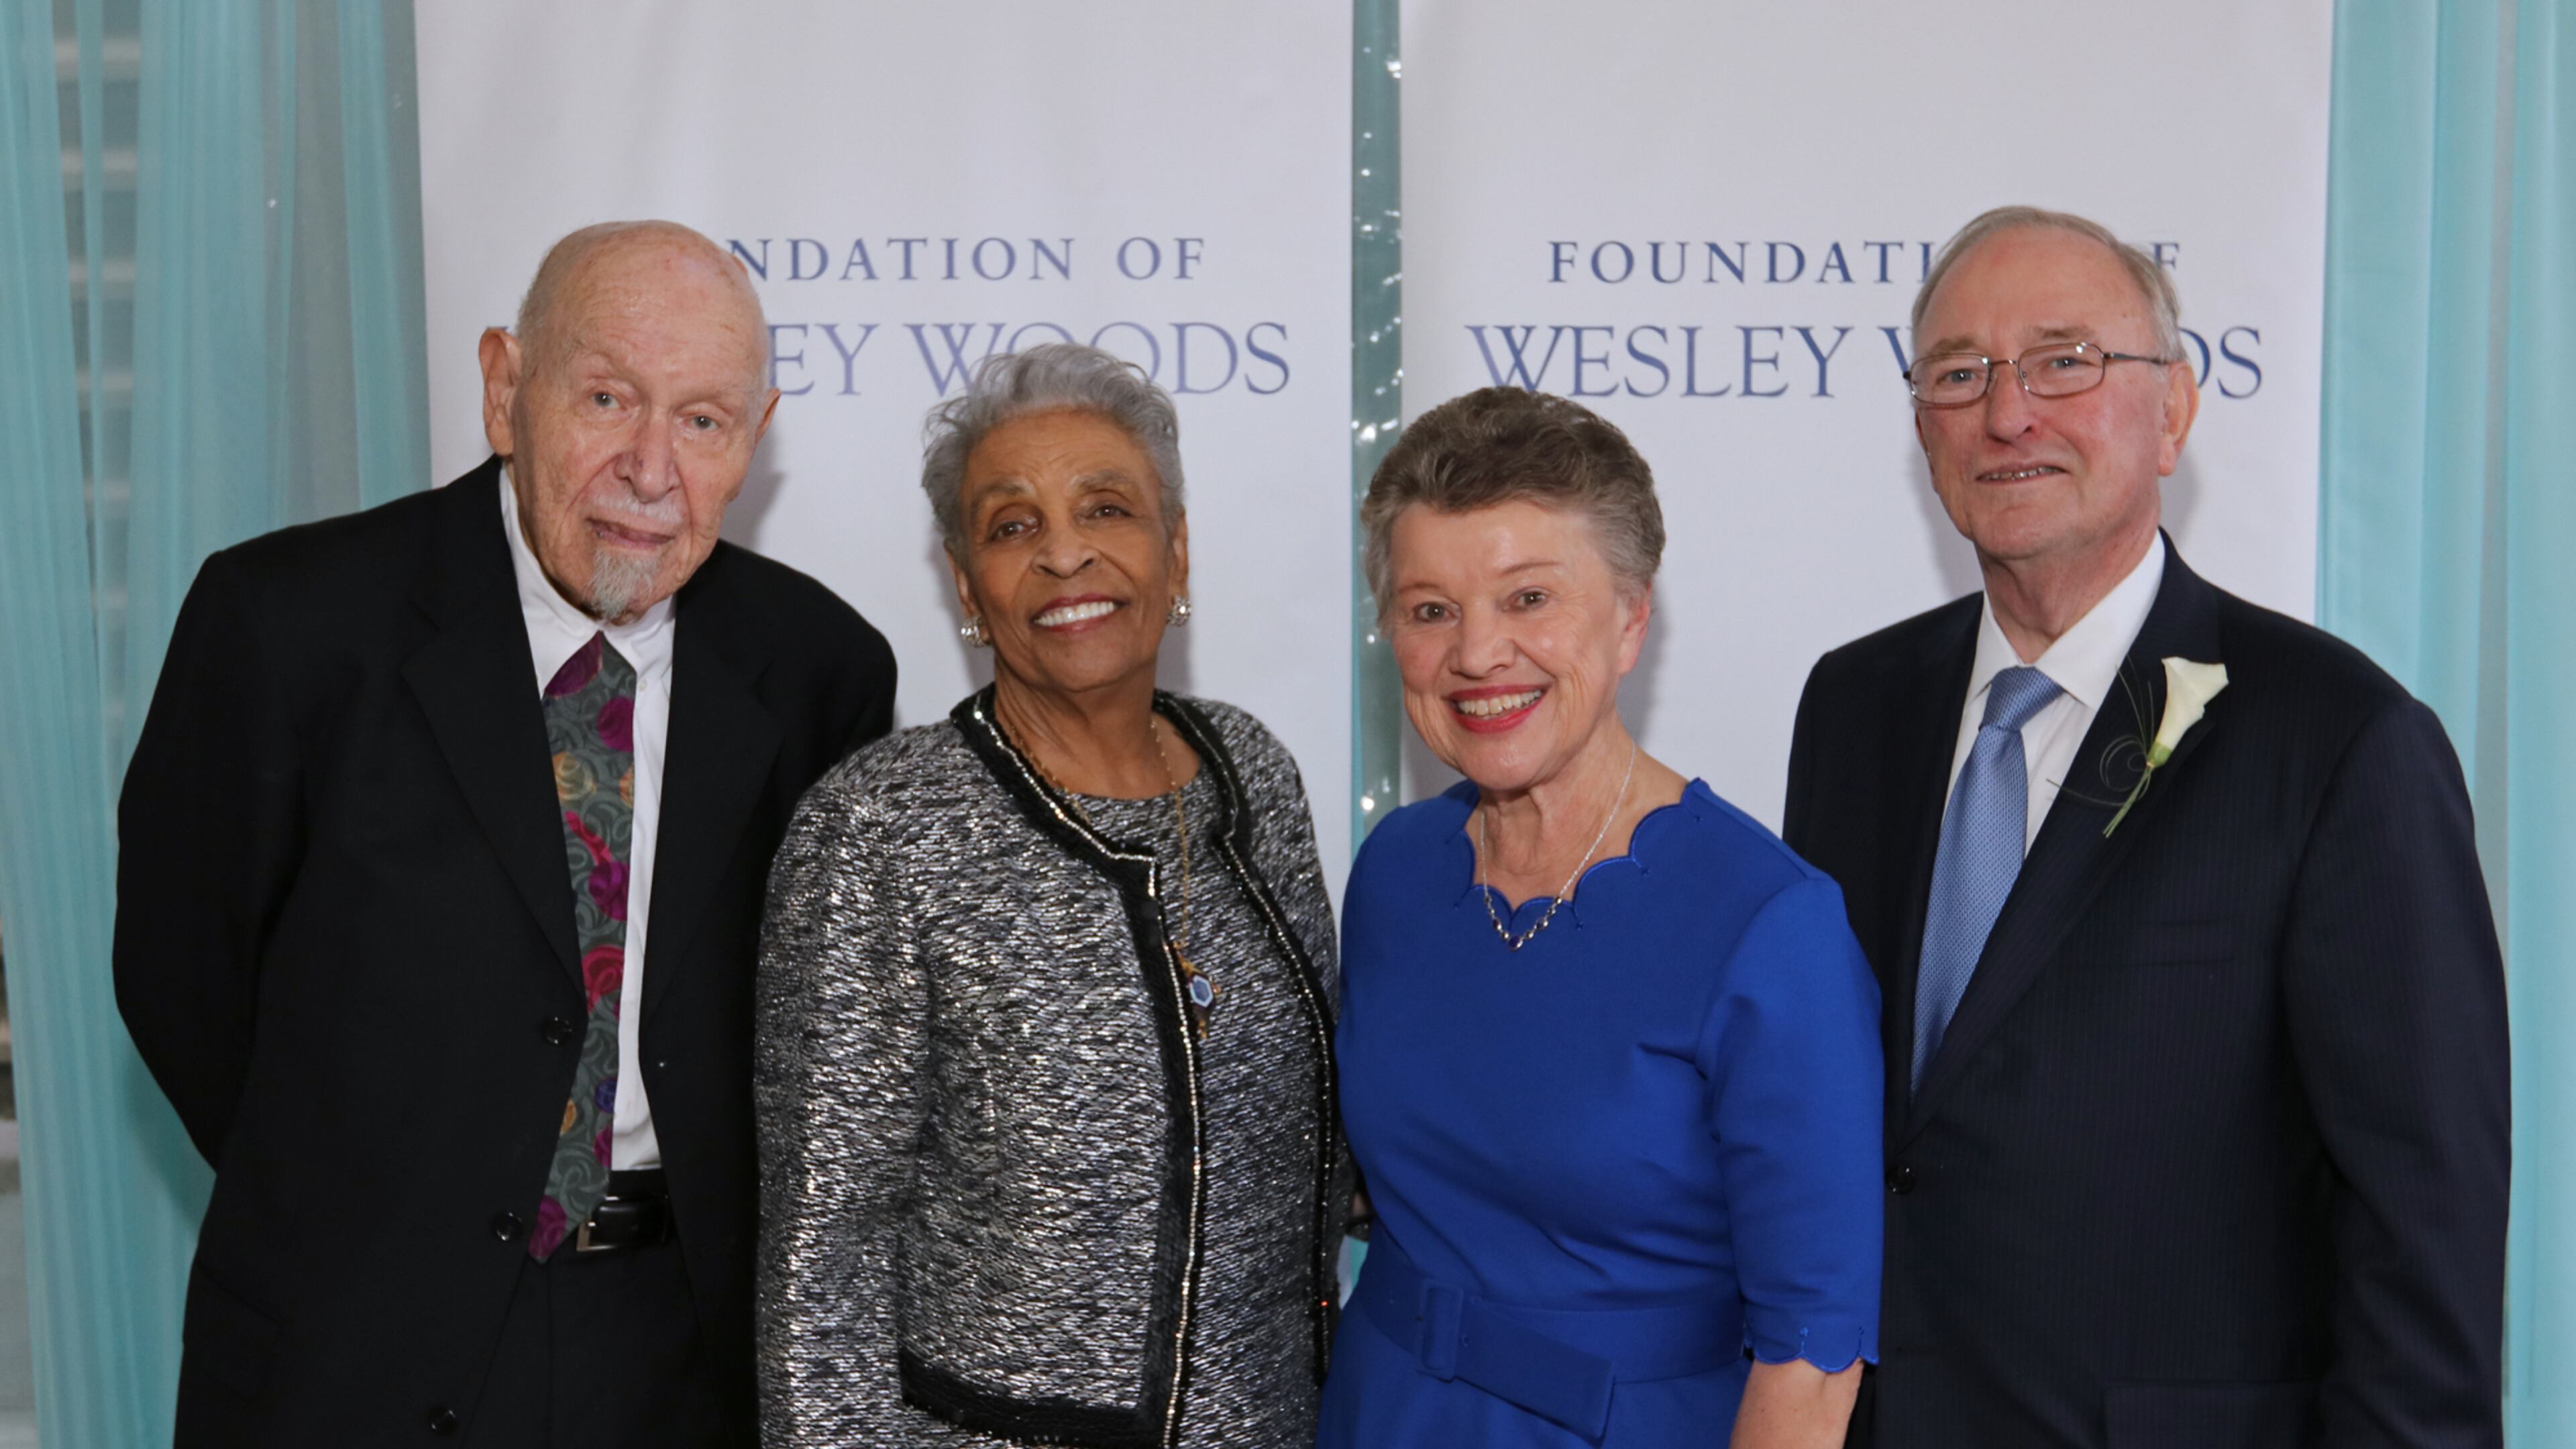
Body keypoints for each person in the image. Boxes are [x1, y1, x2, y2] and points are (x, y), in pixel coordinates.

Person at [114, 219, 896, 1446]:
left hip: (677, 1358)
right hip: (350, 1336)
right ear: (503, 390)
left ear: (756, 438)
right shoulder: (286, 627)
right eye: (606, 398)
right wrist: (402, 1188)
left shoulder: (820, 673)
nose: (650, 470)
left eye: (702, 421)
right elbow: (184, 986)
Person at [1784, 205, 2510, 1448]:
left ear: (2172, 410)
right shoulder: (1854, 707)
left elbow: (2421, 1223)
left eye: (2067, 360)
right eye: (1961, 373)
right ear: (1923, 432)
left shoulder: (2341, 740)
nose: (2010, 412)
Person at [754, 342, 1344, 1448]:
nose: (1066, 555)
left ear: (1176, 552)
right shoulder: (881, 824)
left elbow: (1318, 1138)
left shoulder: (1254, 773)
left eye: (1107, 509)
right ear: (967, 586)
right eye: (1013, 526)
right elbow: (818, 1264)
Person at [1320, 387, 1882, 1448]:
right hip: (1379, 1413)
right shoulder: (1396, 870)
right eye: (1430, 608)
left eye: (1530, 599)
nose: (1478, 654)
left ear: (1631, 618)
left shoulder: (1770, 925)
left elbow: (1811, 1363)